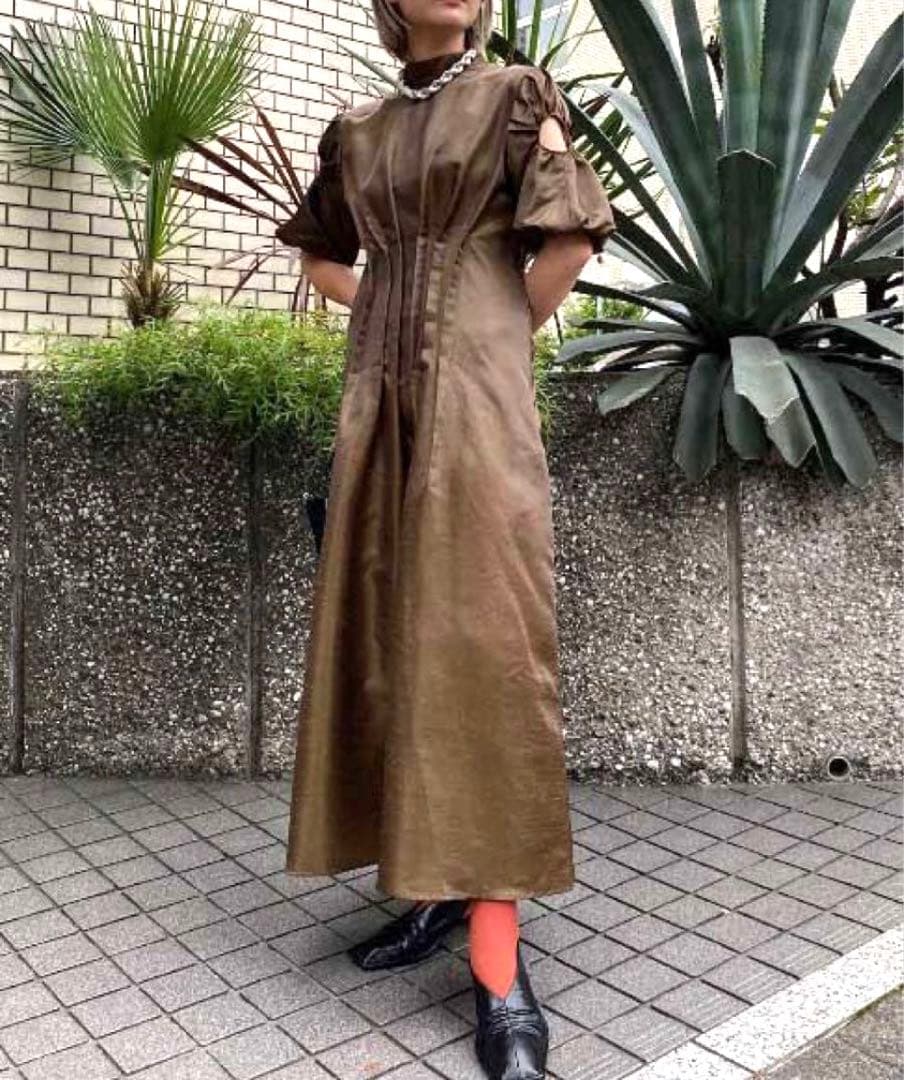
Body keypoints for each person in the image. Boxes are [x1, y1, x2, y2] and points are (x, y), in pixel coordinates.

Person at [275, 0, 615, 1074]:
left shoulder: (514, 97)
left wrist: (489, 331)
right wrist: (384, 308)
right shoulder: (360, 130)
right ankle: (433, 891)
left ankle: (500, 970)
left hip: (476, 402)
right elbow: (321, 256)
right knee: (389, 637)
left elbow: (568, 237)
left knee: (484, 650)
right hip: (377, 408)